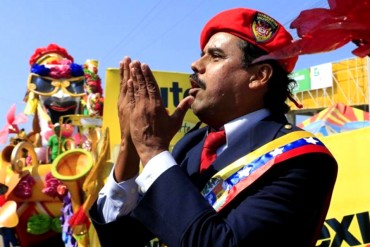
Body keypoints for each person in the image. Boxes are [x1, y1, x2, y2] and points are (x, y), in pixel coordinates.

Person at [89, 7, 338, 247]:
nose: (196, 65)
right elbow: (119, 239)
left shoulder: (301, 158)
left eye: (216, 56)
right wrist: (130, 146)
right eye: (202, 53)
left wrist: (153, 149)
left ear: (259, 76)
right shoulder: (191, 146)